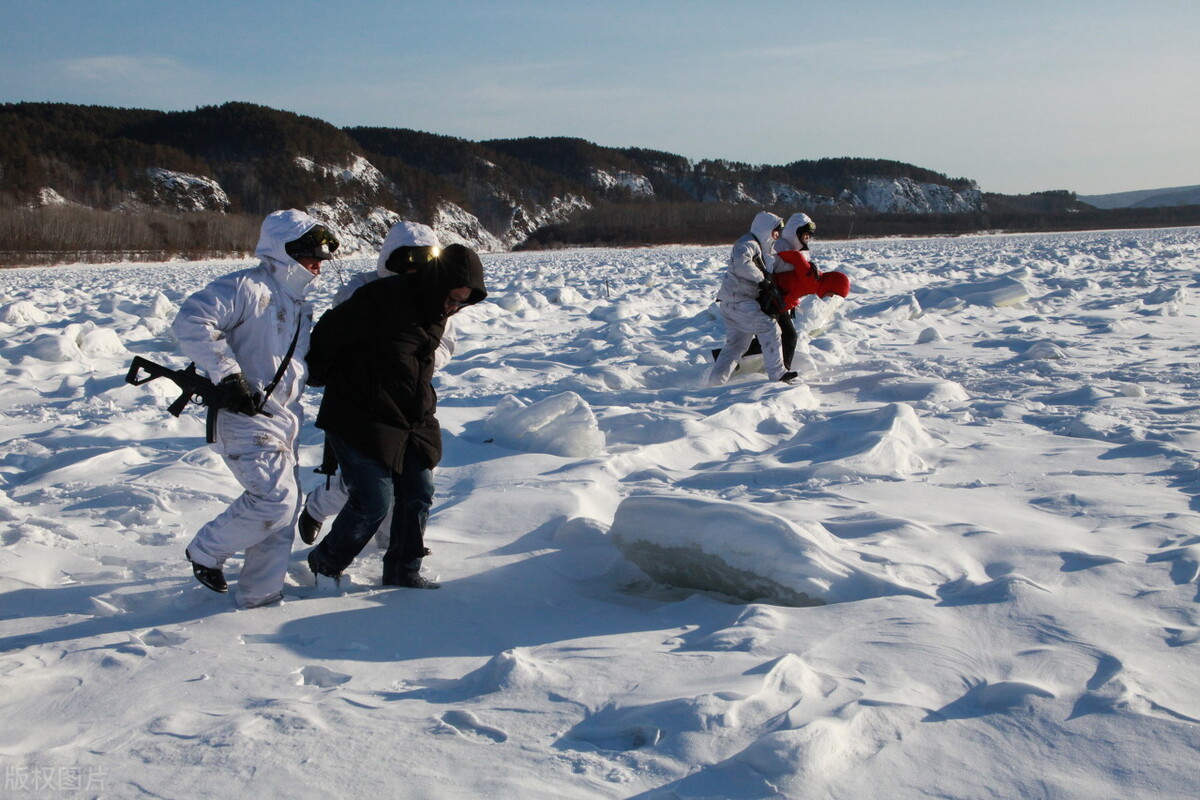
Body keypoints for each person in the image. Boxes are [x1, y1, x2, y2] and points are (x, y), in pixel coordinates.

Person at [172, 209, 337, 608]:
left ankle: (260, 596)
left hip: (284, 418)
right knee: (275, 501)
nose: (317, 264)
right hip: (243, 416)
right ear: (284, 250)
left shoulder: (298, 301)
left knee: (282, 513)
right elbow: (191, 320)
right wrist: (227, 374)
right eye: (310, 255)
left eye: (321, 258)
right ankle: (206, 551)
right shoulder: (247, 287)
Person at [304, 243, 487, 588]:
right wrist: (326, 375)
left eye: (463, 301)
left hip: (408, 416)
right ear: (438, 283)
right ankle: (325, 563)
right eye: (453, 297)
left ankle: (403, 570)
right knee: (373, 499)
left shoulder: (436, 312)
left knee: (418, 489)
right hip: (359, 412)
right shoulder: (381, 298)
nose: (455, 306)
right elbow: (329, 334)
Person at [297, 221, 455, 547]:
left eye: (424, 260)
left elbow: (443, 345)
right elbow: (333, 340)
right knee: (368, 481)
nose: (415, 269)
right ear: (389, 259)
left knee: (410, 482)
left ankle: (390, 552)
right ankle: (316, 507)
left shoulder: (436, 297)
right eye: (407, 259)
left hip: (410, 402)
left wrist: (411, 362)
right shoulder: (359, 291)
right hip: (363, 401)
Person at [708, 211, 797, 386]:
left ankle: (715, 384)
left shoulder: (763, 251)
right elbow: (742, 263)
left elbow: (776, 265)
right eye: (775, 232)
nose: (777, 236)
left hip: (732, 304)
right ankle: (778, 374)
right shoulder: (747, 244)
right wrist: (762, 280)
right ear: (766, 229)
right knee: (770, 328)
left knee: (736, 346)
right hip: (739, 301)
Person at [769, 212, 851, 367]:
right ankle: (782, 370)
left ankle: (775, 364)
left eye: (808, 236)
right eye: (804, 235)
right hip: (772, 299)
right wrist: (783, 303)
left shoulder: (802, 252)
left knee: (779, 334)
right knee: (786, 336)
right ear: (795, 232)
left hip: (780, 300)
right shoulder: (781, 246)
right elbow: (789, 270)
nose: (806, 239)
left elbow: (796, 282)